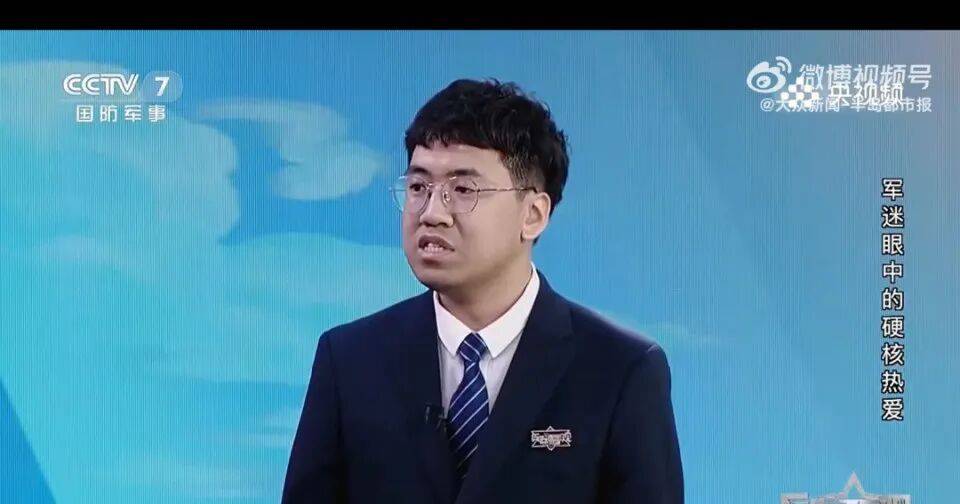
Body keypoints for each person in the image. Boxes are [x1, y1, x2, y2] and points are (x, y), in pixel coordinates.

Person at [282, 78, 684, 503]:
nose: (432, 213)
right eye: (418, 187)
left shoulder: (621, 371)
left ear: (533, 215)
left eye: (463, 190)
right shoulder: (350, 360)